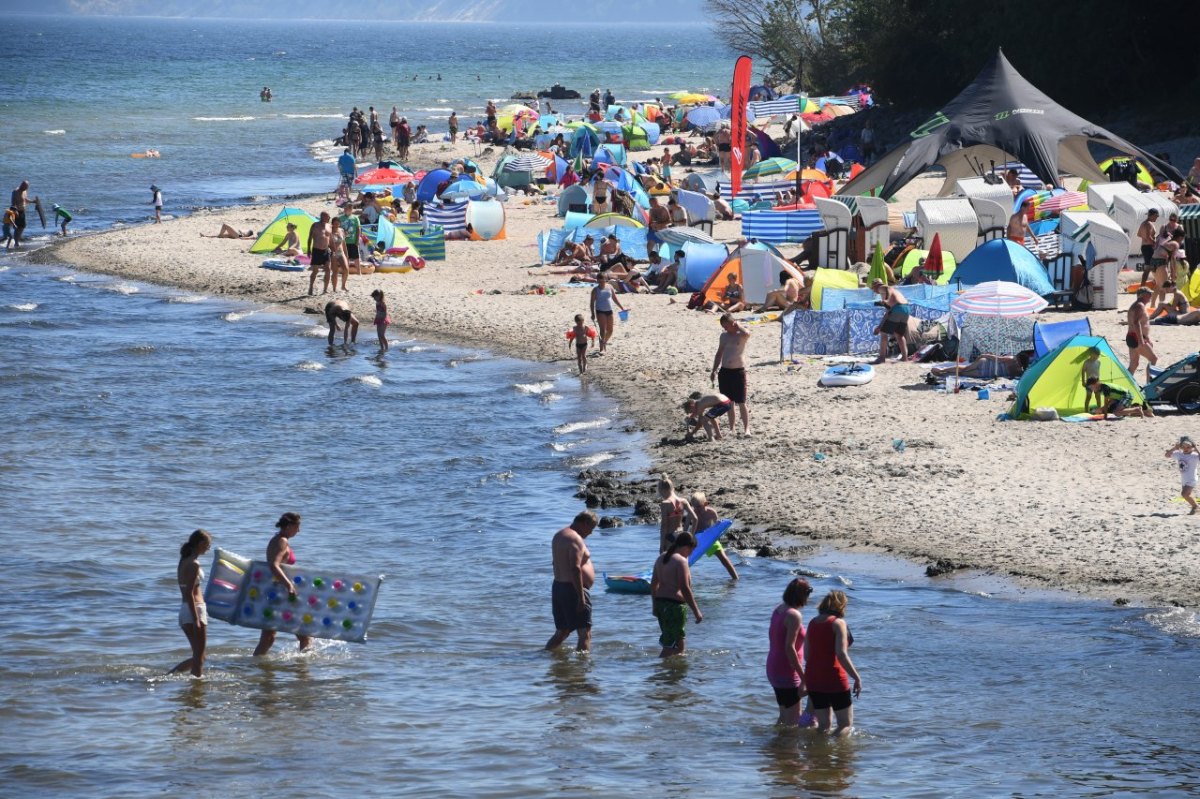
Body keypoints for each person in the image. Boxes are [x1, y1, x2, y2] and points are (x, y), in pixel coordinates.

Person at [253, 512, 312, 656]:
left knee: (268, 638)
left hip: (272, 593)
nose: (299, 531)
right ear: (290, 526)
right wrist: (289, 585)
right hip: (282, 593)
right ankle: (303, 672)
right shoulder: (282, 542)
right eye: (297, 527)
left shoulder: (276, 539)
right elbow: (274, 565)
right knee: (305, 637)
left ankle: (255, 668)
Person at [804, 591, 861, 736]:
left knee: (823, 726)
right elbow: (841, 654)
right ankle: (841, 755)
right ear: (841, 606)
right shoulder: (838, 623)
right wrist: (856, 677)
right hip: (834, 678)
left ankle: (819, 756)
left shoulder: (812, 622)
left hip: (814, 679)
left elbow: (806, 656)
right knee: (845, 724)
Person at [545, 510, 598, 652]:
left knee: (563, 631)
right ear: (585, 523)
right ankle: (582, 671)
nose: (591, 533)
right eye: (591, 528)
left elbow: (555, 563)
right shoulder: (575, 539)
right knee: (585, 633)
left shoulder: (559, 535)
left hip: (559, 587)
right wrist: (581, 598)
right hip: (573, 589)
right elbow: (575, 569)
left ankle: (544, 657)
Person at [767, 578, 813, 725]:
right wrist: (804, 677)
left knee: (784, 716)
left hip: (773, 666)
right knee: (793, 722)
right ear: (801, 595)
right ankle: (786, 748)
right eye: (808, 593)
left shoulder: (779, 609)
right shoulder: (794, 615)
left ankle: (774, 746)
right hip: (786, 670)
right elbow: (789, 648)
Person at [650, 531, 702, 658]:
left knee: (679, 645)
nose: (691, 554)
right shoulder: (681, 561)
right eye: (691, 551)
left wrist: (655, 605)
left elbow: (653, 584)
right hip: (674, 607)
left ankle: (675, 676)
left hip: (661, 604)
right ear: (687, 547)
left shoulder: (661, 557)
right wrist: (696, 611)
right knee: (669, 647)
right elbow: (685, 588)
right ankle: (660, 673)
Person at [170, 529, 212, 678]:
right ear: (200, 543)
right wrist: (196, 619)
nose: (208, 548)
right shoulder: (194, 564)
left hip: (185, 610)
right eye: (207, 545)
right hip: (195, 610)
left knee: (199, 656)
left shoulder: (183, 561)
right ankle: (197, 691)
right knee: (199, 658)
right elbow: (189, 592)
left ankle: (167, 677)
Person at [712, 313, 751, 435]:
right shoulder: (724, 336)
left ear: (732, 323)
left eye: (726, 326)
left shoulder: (741, 335)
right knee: (729, 402)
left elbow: (748, 333)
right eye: (723, 326)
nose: (725, 328)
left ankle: (746, 429)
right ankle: (732, 428)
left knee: (742, 402)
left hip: (738, 371)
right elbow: (719, 354)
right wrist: (714, 370)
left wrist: (738, 325)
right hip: (725, 371)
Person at [689, 491, 738, 580]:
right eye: (694, 507)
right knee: (686, 562)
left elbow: (716, 528)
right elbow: (688, 527)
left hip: (708, 538)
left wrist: (718, 524)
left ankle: (735, 578)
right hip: (696, 539)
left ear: (706, 504)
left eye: (699, 507)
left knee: (724, 558)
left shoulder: (711, 513)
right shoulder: (693, 513)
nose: (696, 509)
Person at [871, 278, 910, 364]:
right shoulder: (894, 292)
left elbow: (886, 288)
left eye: (872, 288)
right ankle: (905, 357)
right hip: (906, 309)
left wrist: (885, 300)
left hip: (897, 309)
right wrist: (879, 326)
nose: (874, 291)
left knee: (884, 333)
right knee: (899, 335)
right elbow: (889, 312)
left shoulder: (881, 288)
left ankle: (881, 358)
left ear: (875, 286)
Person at [657, 473, 698, 553]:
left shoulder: (665, 503)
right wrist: (691, 536)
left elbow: (664, 525)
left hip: (670, 537)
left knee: (670, 563)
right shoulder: (683, 501)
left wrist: (661, 546)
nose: (661, 494)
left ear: (662, 490)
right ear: (673, 488)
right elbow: (695, 518)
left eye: (660, 492)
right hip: (681, 536)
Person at [928, 350, 1032, 379]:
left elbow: (995, 358)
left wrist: (982, 356)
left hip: (985, 364)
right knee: (964, 373)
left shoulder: (1011, 358)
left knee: (964, 368)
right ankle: (942, 373)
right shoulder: (1019, 372)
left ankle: (941, 371)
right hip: (986, 373)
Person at [590, 273, 625, 354]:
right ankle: (602, 349)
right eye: (600, 281)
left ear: (605, 279)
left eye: (603, 280)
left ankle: (604, 342)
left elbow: (615, 298)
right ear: (597, 281)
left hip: (610, 311)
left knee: (610, 330)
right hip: (600, 311)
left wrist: (622, 308)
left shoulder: (609, 287)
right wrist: (592, 314)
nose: (602, 282)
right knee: (602, 330)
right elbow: (592, 303)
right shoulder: (595, 290)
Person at [1126, 287, 1157, 380]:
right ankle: (1149, 383)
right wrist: (1141, 341)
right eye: (1149, 294)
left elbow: (1142, 324)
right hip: (1136, 338)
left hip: (1132, 337)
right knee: (1153, 359)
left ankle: (1126, 383)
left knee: (1134, 364)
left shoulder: (1137, 305)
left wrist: (1147, 338)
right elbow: (1136, 323)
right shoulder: (1140, 306)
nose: (1151, 296)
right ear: (1143, 295)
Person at [1087, 377, 1153, 419]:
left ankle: (1137, 409)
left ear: (1096, 383)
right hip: (1119, 398)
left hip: (1126, 395)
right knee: (1119, 412)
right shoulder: (1100, 388)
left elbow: (1106, 402)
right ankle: (1146, 412)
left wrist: (1105, 416)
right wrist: (1102, 408)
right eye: (1090, 388)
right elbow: (1112, 399)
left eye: (1092, 387)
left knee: (1117, 413)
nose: (1092, 389)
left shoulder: (1104, 388)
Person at [1166, 437, 1200, 515]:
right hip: (1184, 479)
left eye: (1188, 447)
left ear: (1192, 447)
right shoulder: (1179, 454)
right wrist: (1174, 448)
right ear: (1181, 447)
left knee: (1184, 494)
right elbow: (1167, 455)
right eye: (1183, 447)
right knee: (1186, 495)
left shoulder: (1194, 456)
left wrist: (1196, 448)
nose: (1186, 449)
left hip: (1192, 479)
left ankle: (1196, 506)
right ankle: (1195, 507)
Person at [306, 212, 332, 296]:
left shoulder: (329, 226)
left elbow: (330, 239)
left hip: (326, 250)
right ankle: (311, 286)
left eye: (328, 217)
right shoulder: (315, 225)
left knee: (328, 269)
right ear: (321, 216)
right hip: (316, 250)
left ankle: (325, 289)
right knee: (315, 271)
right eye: (325, 216)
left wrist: (333, 250)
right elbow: (310, 237)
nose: (327, 218)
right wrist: (308, 249)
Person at [1137, 209, 1160, 287]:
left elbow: (1139, 234)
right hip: (1149, 247)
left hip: (1144, 246)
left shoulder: (1143, 223)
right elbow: (1148, 237)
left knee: (1150, 267)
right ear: (1153, 215)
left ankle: (1146, 285)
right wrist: (1155, 243)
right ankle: (1145, 285)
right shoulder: (1149, 224)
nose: (1156, 218)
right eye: (1156, 216)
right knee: (1151, 267)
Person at [329, 216, 350, 292]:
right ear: (332, 224)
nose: (336, 225)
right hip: (333, 253)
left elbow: (343, 243)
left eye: (338, 224)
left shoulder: (341, 230)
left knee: (346, 269)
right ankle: (334, 288)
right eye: (335, 224)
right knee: (335, 271)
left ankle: (343, 286)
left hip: (341, 252)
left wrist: (346, 254)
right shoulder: (330, 232)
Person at [10, 181, 30, 248]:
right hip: (17, 212)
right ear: (22, 185)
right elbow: (13, 202)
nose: (26, 188)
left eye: (27, 187)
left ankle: (18, 238)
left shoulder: (24, 191)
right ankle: (16, 243)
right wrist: (15, 210)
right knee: (17, 227)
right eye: (25, 187)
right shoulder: (15, 191)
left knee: (23, 226)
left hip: (23, 211)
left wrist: (33, 201)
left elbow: (25, 200)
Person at [1082, 347, 1103, 411]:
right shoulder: (1086, 362)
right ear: (1091, 354)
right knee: (1088, 397)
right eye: (1095, 355)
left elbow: (1098, 372)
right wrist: (1083, 381)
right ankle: (1086, 410)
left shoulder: (1098, 362)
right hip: (1089, 382)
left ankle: (1099, 409)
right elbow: (1083, 371)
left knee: (1098, 396)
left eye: (1098, 356)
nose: (1096, 357)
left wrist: (1099, 381)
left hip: (1096, 381)